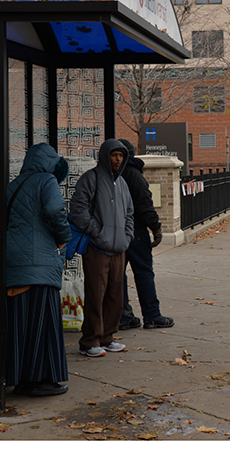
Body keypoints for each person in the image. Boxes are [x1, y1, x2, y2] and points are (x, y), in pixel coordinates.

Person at [5, 143, 72, 396]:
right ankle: (40, 380)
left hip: (15, 264)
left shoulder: (13, 185)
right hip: (40, 264)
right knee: (44, 323)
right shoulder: (47, 181)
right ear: (51, 163)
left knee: (21, 324)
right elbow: (56, 210)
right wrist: (63, 237)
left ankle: (21, 378)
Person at [70, 138, 134, 357]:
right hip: (97, 248)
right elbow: (78, 209)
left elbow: (129, 214)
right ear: (106, 156)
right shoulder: (91, 178)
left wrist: (127, 237)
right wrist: (96, 231)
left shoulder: (123, 183)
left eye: (121, 156)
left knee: (115, 296)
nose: (118, 159)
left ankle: (107, 337)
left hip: (118, 250)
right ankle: (90, 341)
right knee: (95, 296)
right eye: (114, 155)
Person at [117, 138, 173, 331]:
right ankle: (152, 316)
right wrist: (155, 228)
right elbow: (144, 204)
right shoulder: (134, 174)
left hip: (114, 232)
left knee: (118, 275)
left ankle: (124, 316)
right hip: (136, 232)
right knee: (143, 273)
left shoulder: (109, 175)